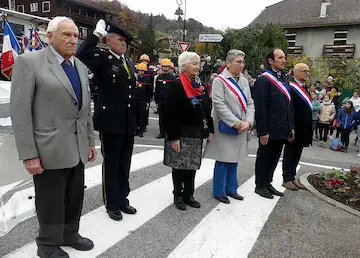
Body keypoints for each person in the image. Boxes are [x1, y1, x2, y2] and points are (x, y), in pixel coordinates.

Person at [10, 16, 96, 258]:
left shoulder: (78, 66)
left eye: (76, 36)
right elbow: (21, 113)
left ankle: (70, 233)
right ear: (50, 36)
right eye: (67, 35)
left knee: (74, 196)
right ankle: (47, 244)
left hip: (76, 145)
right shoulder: (29, 62)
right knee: (50, 200)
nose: (73, 40)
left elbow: (84, 109)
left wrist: (89, 141)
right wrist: (29, 154)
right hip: (47, 148)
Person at [77, 19, 137, 221]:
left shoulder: (127, 62)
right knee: (111, 164)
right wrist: (97, 34)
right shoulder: (102, 59)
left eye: (125, 41)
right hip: (111, 122)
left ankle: (122, 199)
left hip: (128, 122)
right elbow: (82, 54)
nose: (124, 44)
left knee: (124, 163)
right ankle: (111, 203)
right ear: (109, 41)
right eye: (120, 40)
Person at [164, 51, 214, 210]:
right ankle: (178, 195)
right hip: (181, 133)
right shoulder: (177, 84)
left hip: (196, 132)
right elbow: (170, 113)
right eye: (194, 63)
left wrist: (209, 129)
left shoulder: (199, 84)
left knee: (192, 166)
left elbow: (206, 109)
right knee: (179, 166)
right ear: (184, 66)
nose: (197, 66)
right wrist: (173, 137)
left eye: (198, 63)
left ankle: (189, 194)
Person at [204, 49, 254, 203]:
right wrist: (236, 122)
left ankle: (232, 189)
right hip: (225, 125)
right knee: (223, 159)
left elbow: (250, 102)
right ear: (228, 63)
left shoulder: (244, 80)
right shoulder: (220, 80)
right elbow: (219, 105)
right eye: (238, 62)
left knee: (235, 158)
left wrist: (249, 122)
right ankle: (219, 191)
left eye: (242, 62)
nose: (241, 65)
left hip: (242, 126)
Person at [254, 48, 294, 199]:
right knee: (264, 157)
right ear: (271, 61)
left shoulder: (284, 79)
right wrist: (263, 131)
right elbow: (261, 108)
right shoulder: (264, 80)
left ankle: (268, 183)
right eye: (280, 58)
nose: (284, 60)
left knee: (275, 157)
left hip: (282, 127)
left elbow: (289, 106)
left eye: (284, 57)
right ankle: (260, 185)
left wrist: (291, 127)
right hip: (269, 128)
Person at [282, 63, 312, 190]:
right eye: (305, 71)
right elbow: (289, 108)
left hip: (304, 126)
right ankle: (286, 178)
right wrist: (290, 126)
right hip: (294, 125)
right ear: (297, 72)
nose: (307, 73)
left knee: (298, 152)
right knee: (290, 152)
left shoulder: (305, 87)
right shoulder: (290, 87)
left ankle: (292, 176)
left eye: (308, 71)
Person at [154, 58, 176, 138]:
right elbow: (157, 89)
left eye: (167, 66)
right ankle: (161, 132)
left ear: (169, 67)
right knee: (161, 118)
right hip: (161, 100)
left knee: (169, 118)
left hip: (169, 101)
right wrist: (156, 100)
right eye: (164, 66)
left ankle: (167, 133)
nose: (165, 68)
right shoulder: (159, 77)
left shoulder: (173, 77)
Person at [135, 63, 153, 137]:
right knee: (135, 115)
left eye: (142, 71)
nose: (141, 72)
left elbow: (149, 91)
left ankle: (141, 130)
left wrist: (148, 101)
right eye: (139, 70)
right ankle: (135, 129)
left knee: (142, 115)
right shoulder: (135, 79)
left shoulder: (147, 80)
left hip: (143, 100)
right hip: (135, 99)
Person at [139, 54, 154, 132]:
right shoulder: (137, 69)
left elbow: (151, 84)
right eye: (142, 61)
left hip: (146, 93)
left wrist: (150, 96)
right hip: (139, 95)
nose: (144, 62)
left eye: (145, 61)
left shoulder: (150, 71)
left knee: (145, 110)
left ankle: (144, 125)